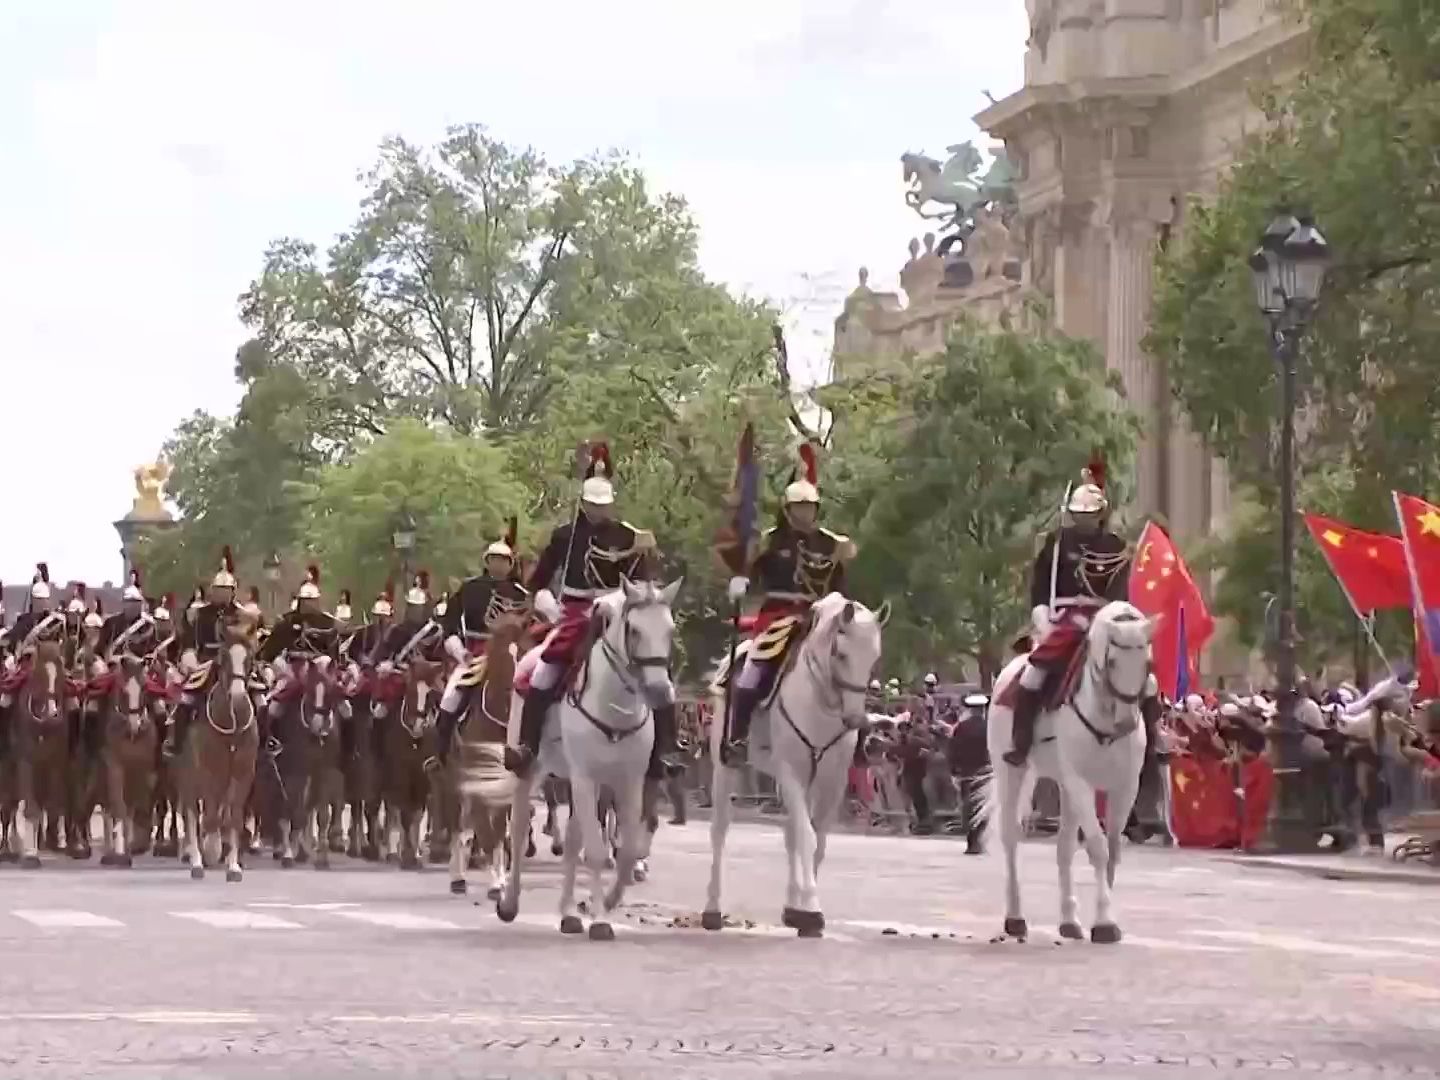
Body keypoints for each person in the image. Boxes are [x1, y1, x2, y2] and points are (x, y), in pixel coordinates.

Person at [507, 442, 682, 780]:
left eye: (604, 505)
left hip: (621, 612)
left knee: (660, 675)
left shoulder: (630, 536)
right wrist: (547, 604)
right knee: (543, 672)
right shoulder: (565, 536)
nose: (598, 511)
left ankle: (667, 749)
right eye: (592, 505)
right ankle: (528, 745)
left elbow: (645, 585)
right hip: (574, 613)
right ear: (583, 502)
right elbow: (539, 582)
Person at [1003, 456, 1161, 766]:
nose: (1082, 520)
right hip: (1064, 619)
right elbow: (1040, 589)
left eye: (1088, 515)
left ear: (1101, 514)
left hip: (1105, 620)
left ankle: (1154, 739)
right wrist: (1041, 619)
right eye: (1078, 514)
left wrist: (1115, 620)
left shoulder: (1115, 546)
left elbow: (1121, 593)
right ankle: (1020, 741)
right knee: (1033, 674)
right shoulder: (1056, 543)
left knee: (1147, 678)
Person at [719, 442, 856, 765]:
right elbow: (748, 570)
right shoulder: (770, 540)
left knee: (853, 667)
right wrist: (740, 580)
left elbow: (839, 587)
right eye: (799, 508)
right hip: (778, 618)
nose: (805, 514)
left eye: (810, 508)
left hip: (819, 618)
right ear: (788, 510)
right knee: (752, 673)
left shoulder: (832, 545)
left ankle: (856, 738)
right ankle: (738, 736)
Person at [433, 522, 530, 766]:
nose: (499, 564)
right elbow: (449, 626)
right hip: (474, 656)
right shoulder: (470, 588)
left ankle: (534, 753)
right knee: (449, 700)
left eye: (504, 560)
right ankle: (440, 756)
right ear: (486, 562)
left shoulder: (521, 594)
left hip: (513, 655)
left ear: (511, 564)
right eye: (494, 559)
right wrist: (460, 652)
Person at [164, 548, 245, 757]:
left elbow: (249, 643)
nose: (223, 594)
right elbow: (189, 639)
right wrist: (189, 654)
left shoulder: (242, 615)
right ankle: (177, 743)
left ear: (233, 591)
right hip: (206, 664)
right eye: (220, 589)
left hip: (236, 665)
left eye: (227, 590)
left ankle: (265, 742)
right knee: (186, 701)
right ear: (213, 591)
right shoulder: (200, 614)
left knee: (261, 701)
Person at [258, 564, 343, 750]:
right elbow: (268, 652)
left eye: (312, 601)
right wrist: (268, 667)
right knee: (276, 702)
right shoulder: (286, 622)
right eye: (305, 601)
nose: (309, 605)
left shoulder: (327, 622)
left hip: (320, 669)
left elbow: (334, 653)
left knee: (344, 705)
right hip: (292, 666)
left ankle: (348, 750)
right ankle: (269, 740)